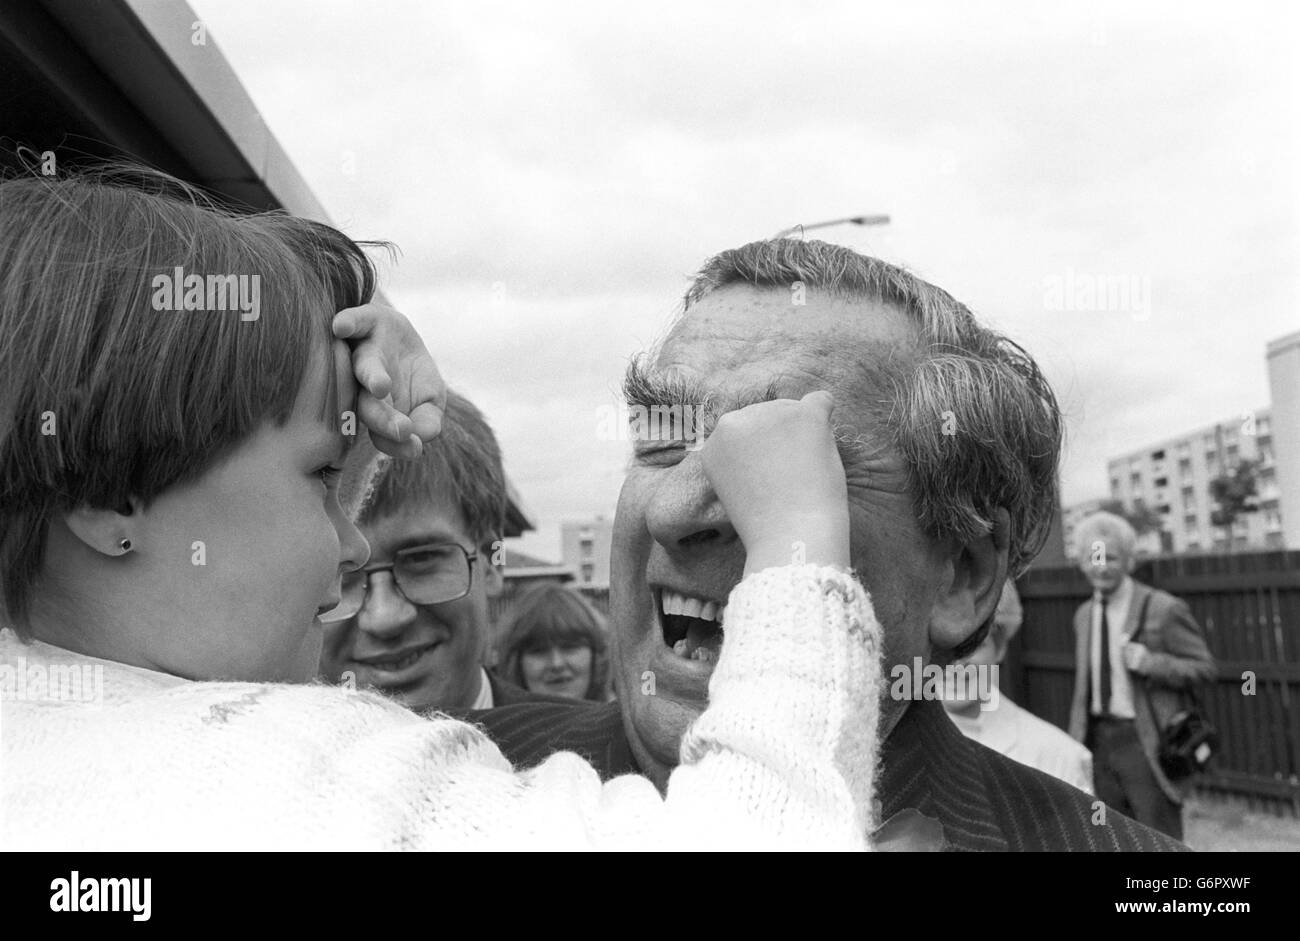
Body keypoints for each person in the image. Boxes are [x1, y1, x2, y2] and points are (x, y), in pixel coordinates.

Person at [0, 169, 886, 850]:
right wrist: (799, 551)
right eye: (322, 476)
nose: (352, 552)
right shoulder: (316, 776)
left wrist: (318, 366)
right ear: (108, 499)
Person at [472, 238, 1187, 851]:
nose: (674, 509)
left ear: (962, 575)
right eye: (662, 438)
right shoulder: (450, 782)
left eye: (792, 460)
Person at [318, 390, 537, 709]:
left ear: (492, 562)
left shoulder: (607, 755)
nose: (384, 618)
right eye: (342, 572)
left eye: (421, 559)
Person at [1067, 512, 1216, 840]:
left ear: (1130, 561)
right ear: (1080, 561)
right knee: (1108, 839)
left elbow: (1205, 669)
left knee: (1156, 841)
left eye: (1112, 557)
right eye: (1094, 558)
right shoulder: (1083, 615)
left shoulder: (1163, 609)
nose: (1101, 567)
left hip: (1145, 743)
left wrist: (1152, 663)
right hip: (1096, 743)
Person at [943, 581, 1093, 794]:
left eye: (973, 646)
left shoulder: (1059, 758)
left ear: (1000, 648)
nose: (956, 662)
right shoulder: (892, 751)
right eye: (942, 645)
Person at [497, 583, 612, 701]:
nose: (556, 664)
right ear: (515, 663)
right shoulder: (490, 719)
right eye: (539, 651)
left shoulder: (626, 717)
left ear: (597, 655)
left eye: (570, 647)